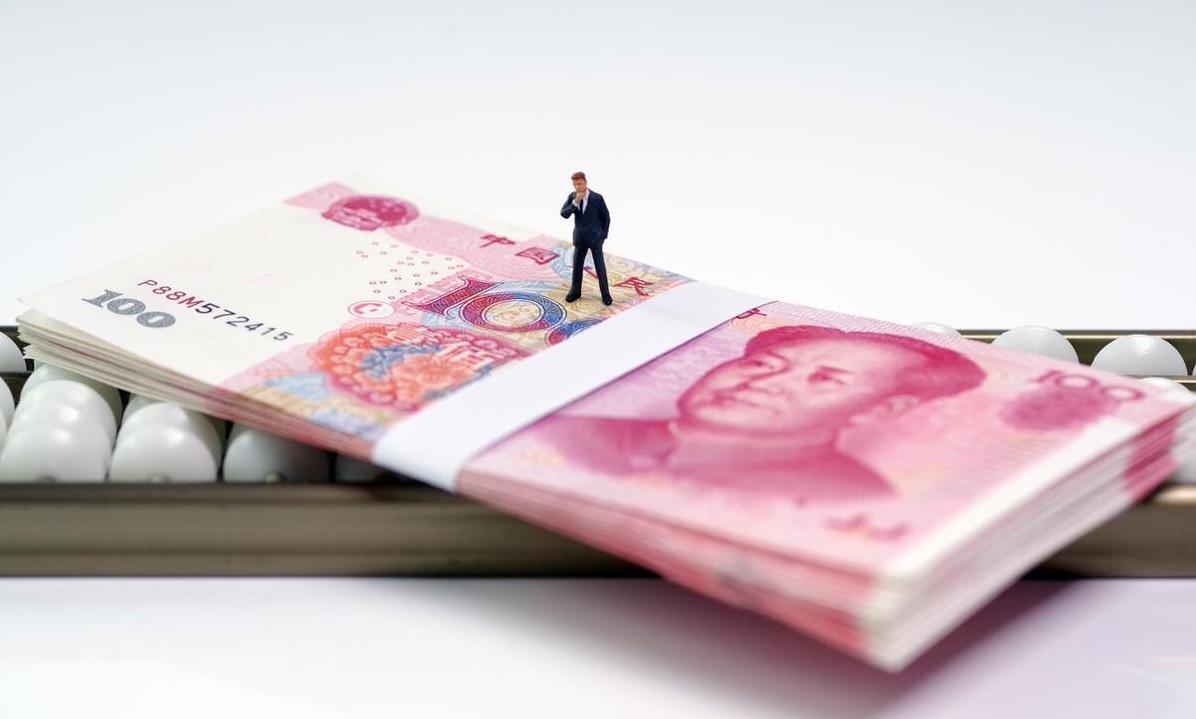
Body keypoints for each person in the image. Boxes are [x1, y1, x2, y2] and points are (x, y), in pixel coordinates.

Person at [534, 324, 987, 501]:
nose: (766, 383)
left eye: (825, 379)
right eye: (762, 365)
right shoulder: (572, 434)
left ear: (882, 409)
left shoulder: (849, 496)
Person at [559, 171, 612, 305]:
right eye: (575, 184)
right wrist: (575, 203)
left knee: (600, 266)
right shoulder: (572, 197)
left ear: (585, 182)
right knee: (577, 266)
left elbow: (606, 218)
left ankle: (605, 294)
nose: (577, 187)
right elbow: (564, 214)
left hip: (595, 239)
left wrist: (603, 236)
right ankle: (575, 291)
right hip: (580, 239)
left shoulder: (597, 198)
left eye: (580, 184)